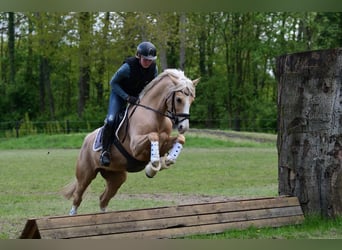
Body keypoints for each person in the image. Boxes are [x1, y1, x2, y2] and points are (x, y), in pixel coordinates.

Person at [100, 41, 158, 166]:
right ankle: (105, 151)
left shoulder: (153, 69)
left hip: (137, 98)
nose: (148, 62)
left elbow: (152, 88)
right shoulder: (128, 67)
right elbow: (113, 83)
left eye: (150, 60)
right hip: (120, 95)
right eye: (145, 59)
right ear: (139, 56)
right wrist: (126, 97)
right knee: (111, 120)